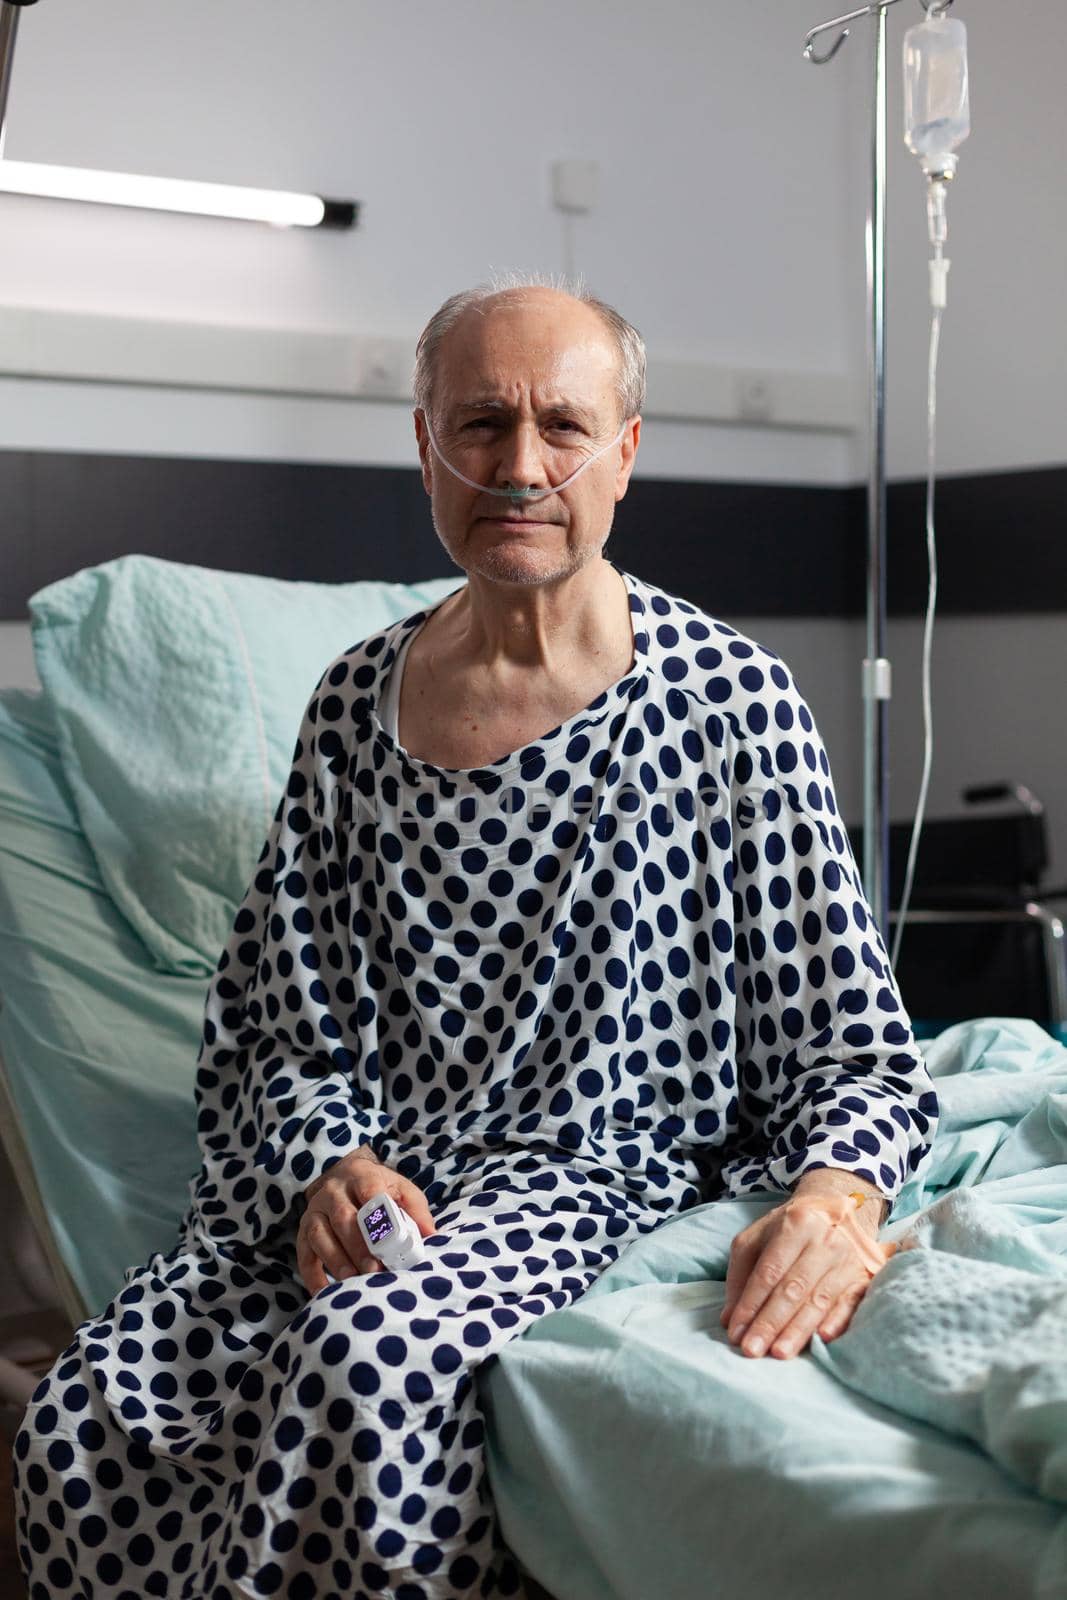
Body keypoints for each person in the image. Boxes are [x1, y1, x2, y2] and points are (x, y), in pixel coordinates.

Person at [13, 277, 939, 1600]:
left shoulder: (730, 702)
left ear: (625, 451)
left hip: (597, 1180)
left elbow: (857, 1052)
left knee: (372, 1366)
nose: (519, 467)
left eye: (562, 427)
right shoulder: (352, 704)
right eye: (480, 425)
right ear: (424, 445)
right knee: (86, 1415)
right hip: (377, 1194)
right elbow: (277, 1025)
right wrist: (324, 1166)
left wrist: (837, 1197)